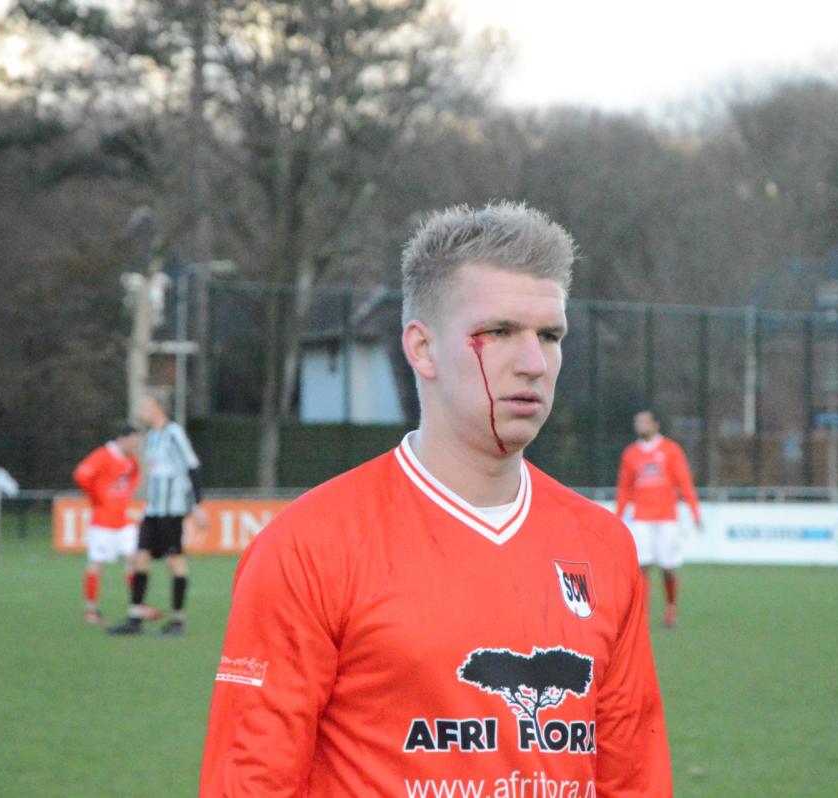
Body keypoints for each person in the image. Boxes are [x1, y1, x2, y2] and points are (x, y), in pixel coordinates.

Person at [200, 203, 672, 796]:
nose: (533, 363)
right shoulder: (309, 546)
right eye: (498, 332)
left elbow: (633, 776)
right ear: (421, 349)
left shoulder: (603, 546)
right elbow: (249, 780)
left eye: (549, 336)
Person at [108, 393, 208, 637]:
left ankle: (177, 621)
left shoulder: (174, 434)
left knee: (174, 561)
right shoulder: (151, 438)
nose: (142, 410)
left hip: (172, 511)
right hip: (152, 510)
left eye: (146, 405)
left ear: (159, 409)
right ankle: (135, 616)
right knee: (139, 558)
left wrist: (198, 505)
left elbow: (192, 466)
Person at [616, 409, 703, 628]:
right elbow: (624, 488)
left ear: (655, 424)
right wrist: (618, 516)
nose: (640, 425)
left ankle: (671, 609)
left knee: (667, 567)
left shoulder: (671, 450)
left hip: (666, 518)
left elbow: (684, 482)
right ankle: (641, 615)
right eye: (638, 422)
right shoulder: (630, 454)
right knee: (641, 566)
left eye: (644, 422)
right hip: (641, 518)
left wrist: (695, 511)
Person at [72, 425, 145, 624]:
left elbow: (135, 475)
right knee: (97, 564)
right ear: (122, 439)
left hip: (123, 520)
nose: (136, 445)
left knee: (134, 560)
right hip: (103, 522)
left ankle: (137, 606)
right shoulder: (103, 455)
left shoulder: (130, 461)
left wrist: (125, 495)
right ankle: (91, 609)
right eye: (134, 440)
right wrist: (97, 498)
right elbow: (81, 475)